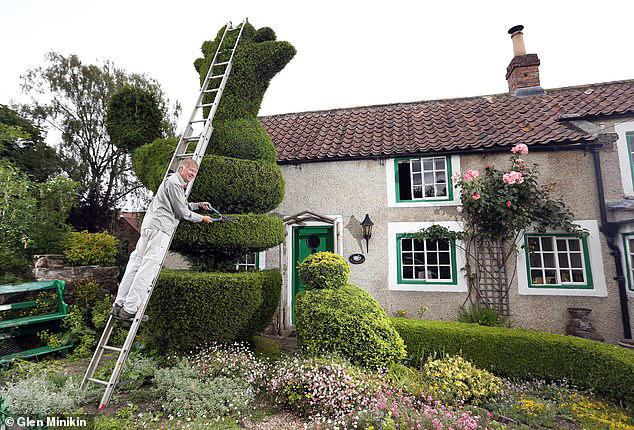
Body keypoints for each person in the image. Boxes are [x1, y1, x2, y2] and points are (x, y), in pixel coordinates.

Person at [111, 158, 213, 322]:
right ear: (181, 168)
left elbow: (180, 204)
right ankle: (129, 309)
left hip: (150, 227)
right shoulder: (175, 183)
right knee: (147, 269)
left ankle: (119, 304)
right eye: (190, 170)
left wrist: (198, 205)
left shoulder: (172, 182)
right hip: (160, 229)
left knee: (135, 264)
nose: (193, 174)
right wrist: (202, 218)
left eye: (195, 172)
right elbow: (182, 211)